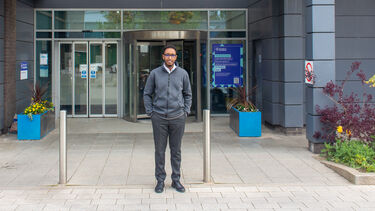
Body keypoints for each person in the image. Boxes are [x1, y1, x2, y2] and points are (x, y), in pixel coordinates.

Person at [143, 45, 192, 193]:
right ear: (163, 56)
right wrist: (151, 112)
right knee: (159, 151)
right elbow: (147, 93)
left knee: (176, 151)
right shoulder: (155, 74)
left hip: (178, 117)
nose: (170, 57)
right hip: (159, 118)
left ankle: (176, 180)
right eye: (167, 55)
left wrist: (186, 111)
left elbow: (188, 94)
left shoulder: (183, 74)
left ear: (176, 57)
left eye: (172, 55)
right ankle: (160, 181)